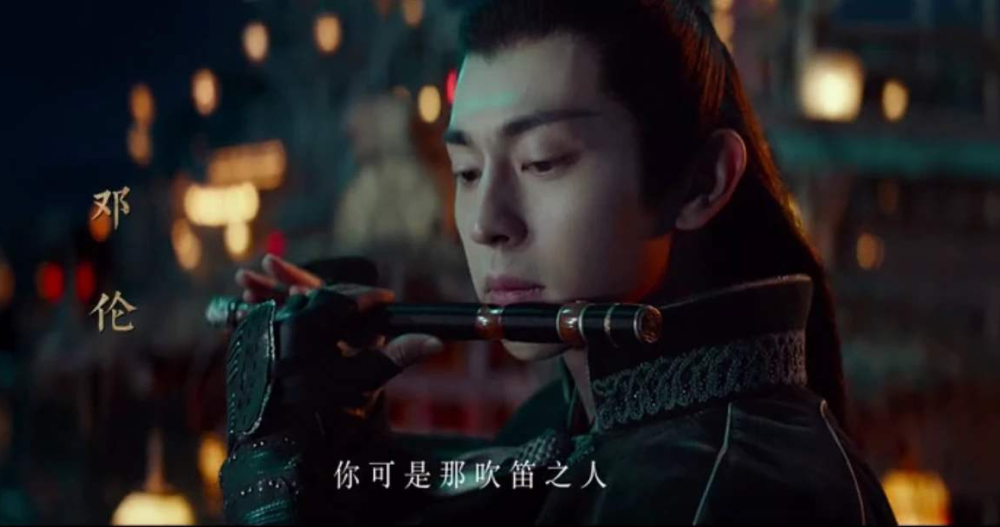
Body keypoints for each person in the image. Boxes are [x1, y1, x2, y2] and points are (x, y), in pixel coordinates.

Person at [221, 0, 898, 523]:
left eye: (543, 161)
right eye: (466, 170)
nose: (486, 223)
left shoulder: (745, 495)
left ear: (702, 181)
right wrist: (335, 445)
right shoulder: (562, 425)